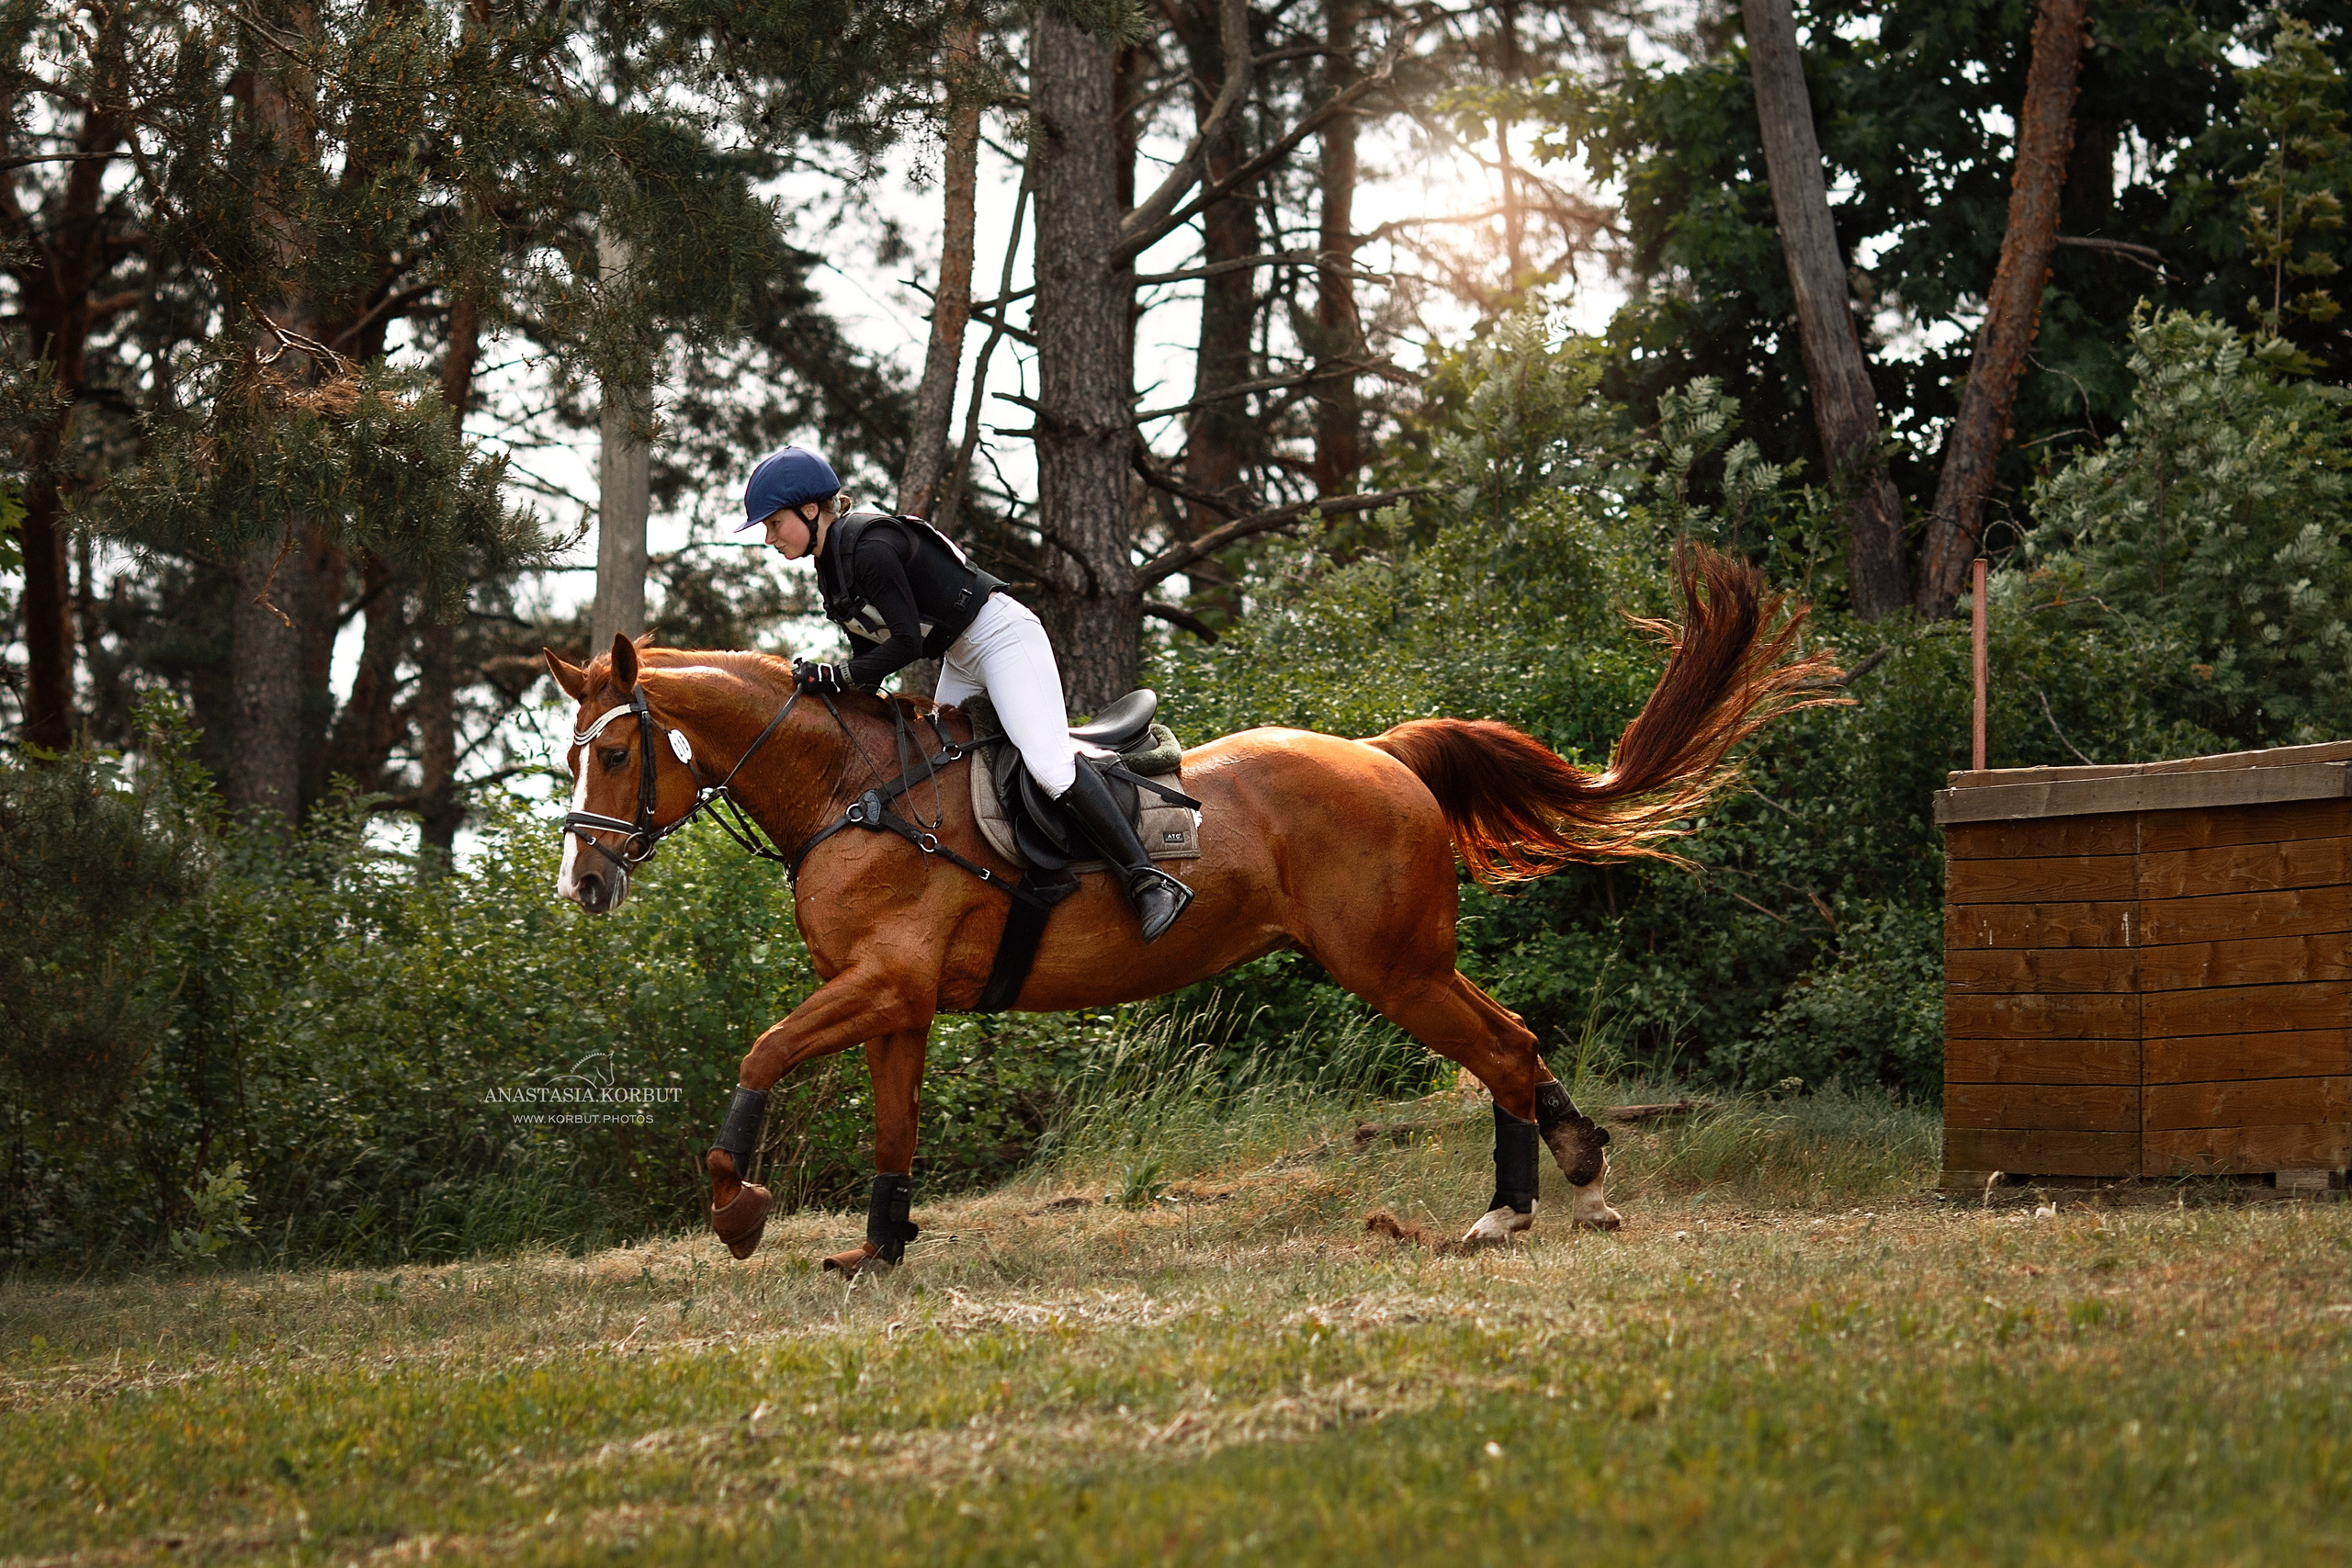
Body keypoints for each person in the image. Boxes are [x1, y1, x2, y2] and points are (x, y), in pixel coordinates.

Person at [740, 446, 1192, 942]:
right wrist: (825, 687)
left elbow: (907, 644)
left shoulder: (868, 548)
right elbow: (868, 669)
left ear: (809, 510)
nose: (769, 537)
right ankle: (1033, 869)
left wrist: (839, 675)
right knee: (941, 762)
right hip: (962, 654)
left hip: (1001, 637)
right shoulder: (832, 568)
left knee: (1047, 763)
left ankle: (1148, 879)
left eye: (774, 522)